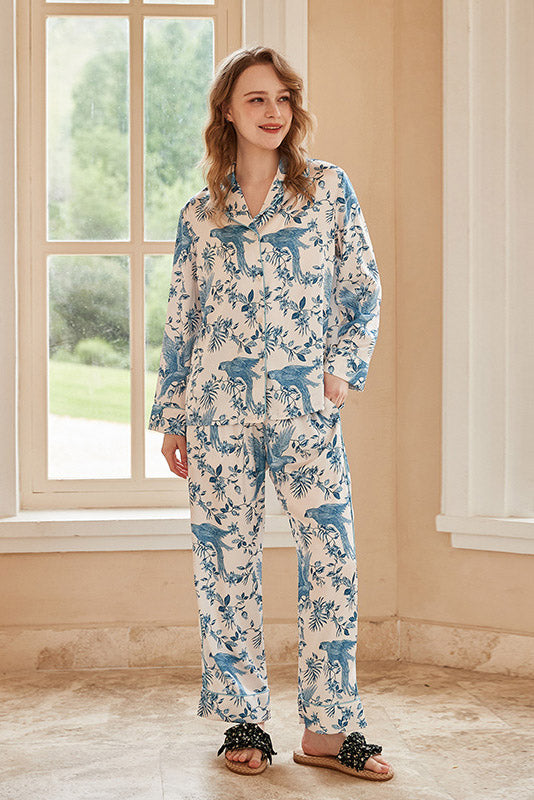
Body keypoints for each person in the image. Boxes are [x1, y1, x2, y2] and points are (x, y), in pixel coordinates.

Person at [147, 45, 393, 782]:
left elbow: (363, 289)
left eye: (283, 97)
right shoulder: (201, 214)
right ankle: (244, 719)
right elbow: (182, 319)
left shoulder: (328, 190)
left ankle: (329, 728)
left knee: (331, 556)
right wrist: (173, 416)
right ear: (227, 110)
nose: (273, 111)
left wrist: (340, 370)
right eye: (256, 98)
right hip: (217, 414)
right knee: (226, 562)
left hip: (305, 411)